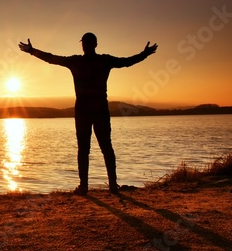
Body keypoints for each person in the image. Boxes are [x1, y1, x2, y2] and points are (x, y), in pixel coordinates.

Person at [19, 33, 157, 195]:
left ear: (84, 45)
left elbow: (51, 58)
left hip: (84, 109)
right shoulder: (103, 60)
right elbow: (127, 62)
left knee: (85, 149)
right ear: (96, 45)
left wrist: (31, 51)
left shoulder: (76, 61)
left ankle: (85, 186)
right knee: (106, 147)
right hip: (99, 108)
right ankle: (112, 185)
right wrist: (145, 54)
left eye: (84, 43)